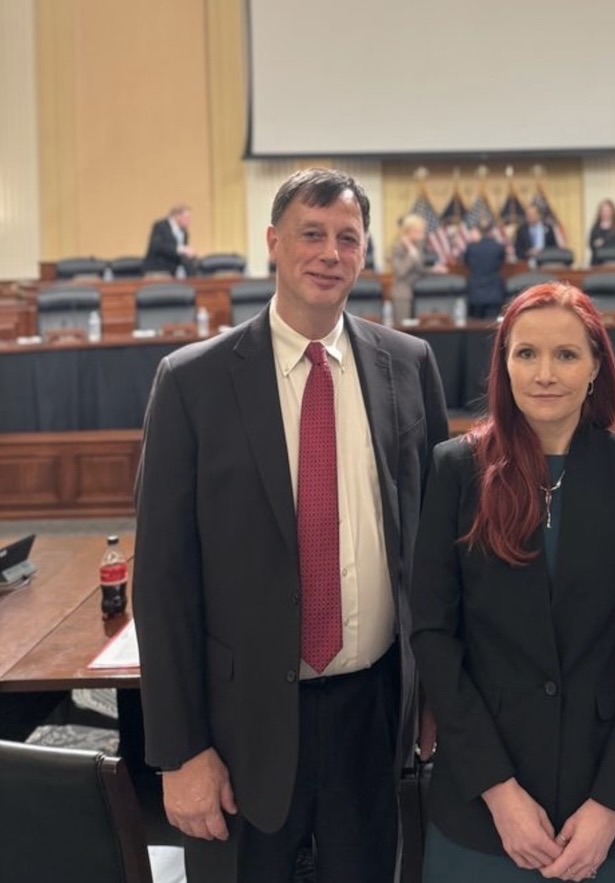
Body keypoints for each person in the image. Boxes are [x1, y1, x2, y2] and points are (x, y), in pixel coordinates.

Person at [132, 168, 450, 883]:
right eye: (311, 233)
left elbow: (434, 552)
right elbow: (162, 581)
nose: (329, 252)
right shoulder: (192, 382)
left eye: (347, 238)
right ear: (274, 243)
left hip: (373, 715)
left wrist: (433, 694)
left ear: (365, 254)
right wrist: (180, 753)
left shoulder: (409, 365)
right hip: (239, 730)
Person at [410, 282, 615, 882]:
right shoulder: (457, 468)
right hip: (484, 807)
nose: (544, 373)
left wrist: (612, 802)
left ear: (595, 368)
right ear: (503, 363)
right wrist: (498, 791)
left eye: (565, 355)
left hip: (612, 806)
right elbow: (434, 635)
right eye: (525, 353)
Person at [391, 213, 446, 322]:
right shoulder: (398, 247)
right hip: (403, 295)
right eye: (418, 231)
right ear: (408, 231)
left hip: (418, 292)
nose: (422, 234)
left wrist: (433, 270)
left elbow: (418, 271)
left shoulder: (418, 246)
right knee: (403, 330)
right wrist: (411, 255)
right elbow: (400, 272)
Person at [463, 217, 507, 320]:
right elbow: (501, 263)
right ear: (491, 231)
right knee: (493, 328)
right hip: (494, 291)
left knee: (475, 328)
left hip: (475, 292)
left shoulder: (471, 248)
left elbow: (466, 263)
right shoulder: (498, 247)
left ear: (478, 230)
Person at [143, 203, 197, 276]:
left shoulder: (184, 232)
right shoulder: (160, 226)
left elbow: (181, 253)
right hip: (158, 270)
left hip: (174, 271)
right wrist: (182, 249)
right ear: (177, 216)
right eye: (187, 218)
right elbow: (157, 246)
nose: (189, 222)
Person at [588, 200, 615, 265]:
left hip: (612, 260)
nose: (605, 213)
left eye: (607, 210)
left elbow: (614, 242)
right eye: (603, 211)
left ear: (612, 212)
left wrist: (602, 242)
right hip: (596, 261)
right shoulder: (595, 227)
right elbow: (591, 243)